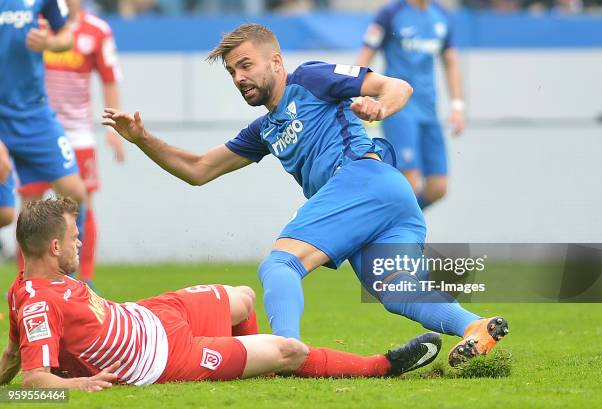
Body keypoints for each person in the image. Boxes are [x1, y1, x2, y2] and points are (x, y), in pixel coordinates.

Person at [102, 23, 508, 366]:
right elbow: (198, 169)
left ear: (275, 62)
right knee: (398, 292)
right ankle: (474, 325)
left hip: (363, 180)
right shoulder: (263, 130)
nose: (239, 77)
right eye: (231, 72)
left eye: (245, 65)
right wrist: (142, 139)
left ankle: (283, 354)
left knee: (280, 265)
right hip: (387, 199)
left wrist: (380, 108)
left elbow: (397, 86)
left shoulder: (311, 78)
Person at [0, 197, 442, 390]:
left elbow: (13, 357)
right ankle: (384, 366)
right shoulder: (39, 301)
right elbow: (33, 383)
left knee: (243, 297)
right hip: (164, 358)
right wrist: (80, 384)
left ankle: (252, 365)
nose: (81, 243)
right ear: (54, 247)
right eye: (75, 238)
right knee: (288, 349)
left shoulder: (23, 291)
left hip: (153, 314)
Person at [19, 0, 125, 289]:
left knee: (81, 203)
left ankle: (84, 278)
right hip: (37, 130)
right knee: (29, 205)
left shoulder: (97, 30)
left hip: (78, 134)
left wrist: (113, 127)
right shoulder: (33, 23)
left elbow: (109, 78)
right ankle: (27, 280)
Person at [356, 0, 465, 210]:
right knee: (410, 181)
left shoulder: (440, 15)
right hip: (398, 109)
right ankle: (398, 235)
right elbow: (365, 56)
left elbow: (450, 61)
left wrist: (457, 106)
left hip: (429, 110)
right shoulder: (391, 13)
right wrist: (355, 94)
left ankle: (387, 225)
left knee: (438, 186)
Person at [0, 0, 87, 248]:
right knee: (5, 215)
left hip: (34, 112)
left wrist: (49, 43)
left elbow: (67, 36)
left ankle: (69, 278)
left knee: (75, 192)